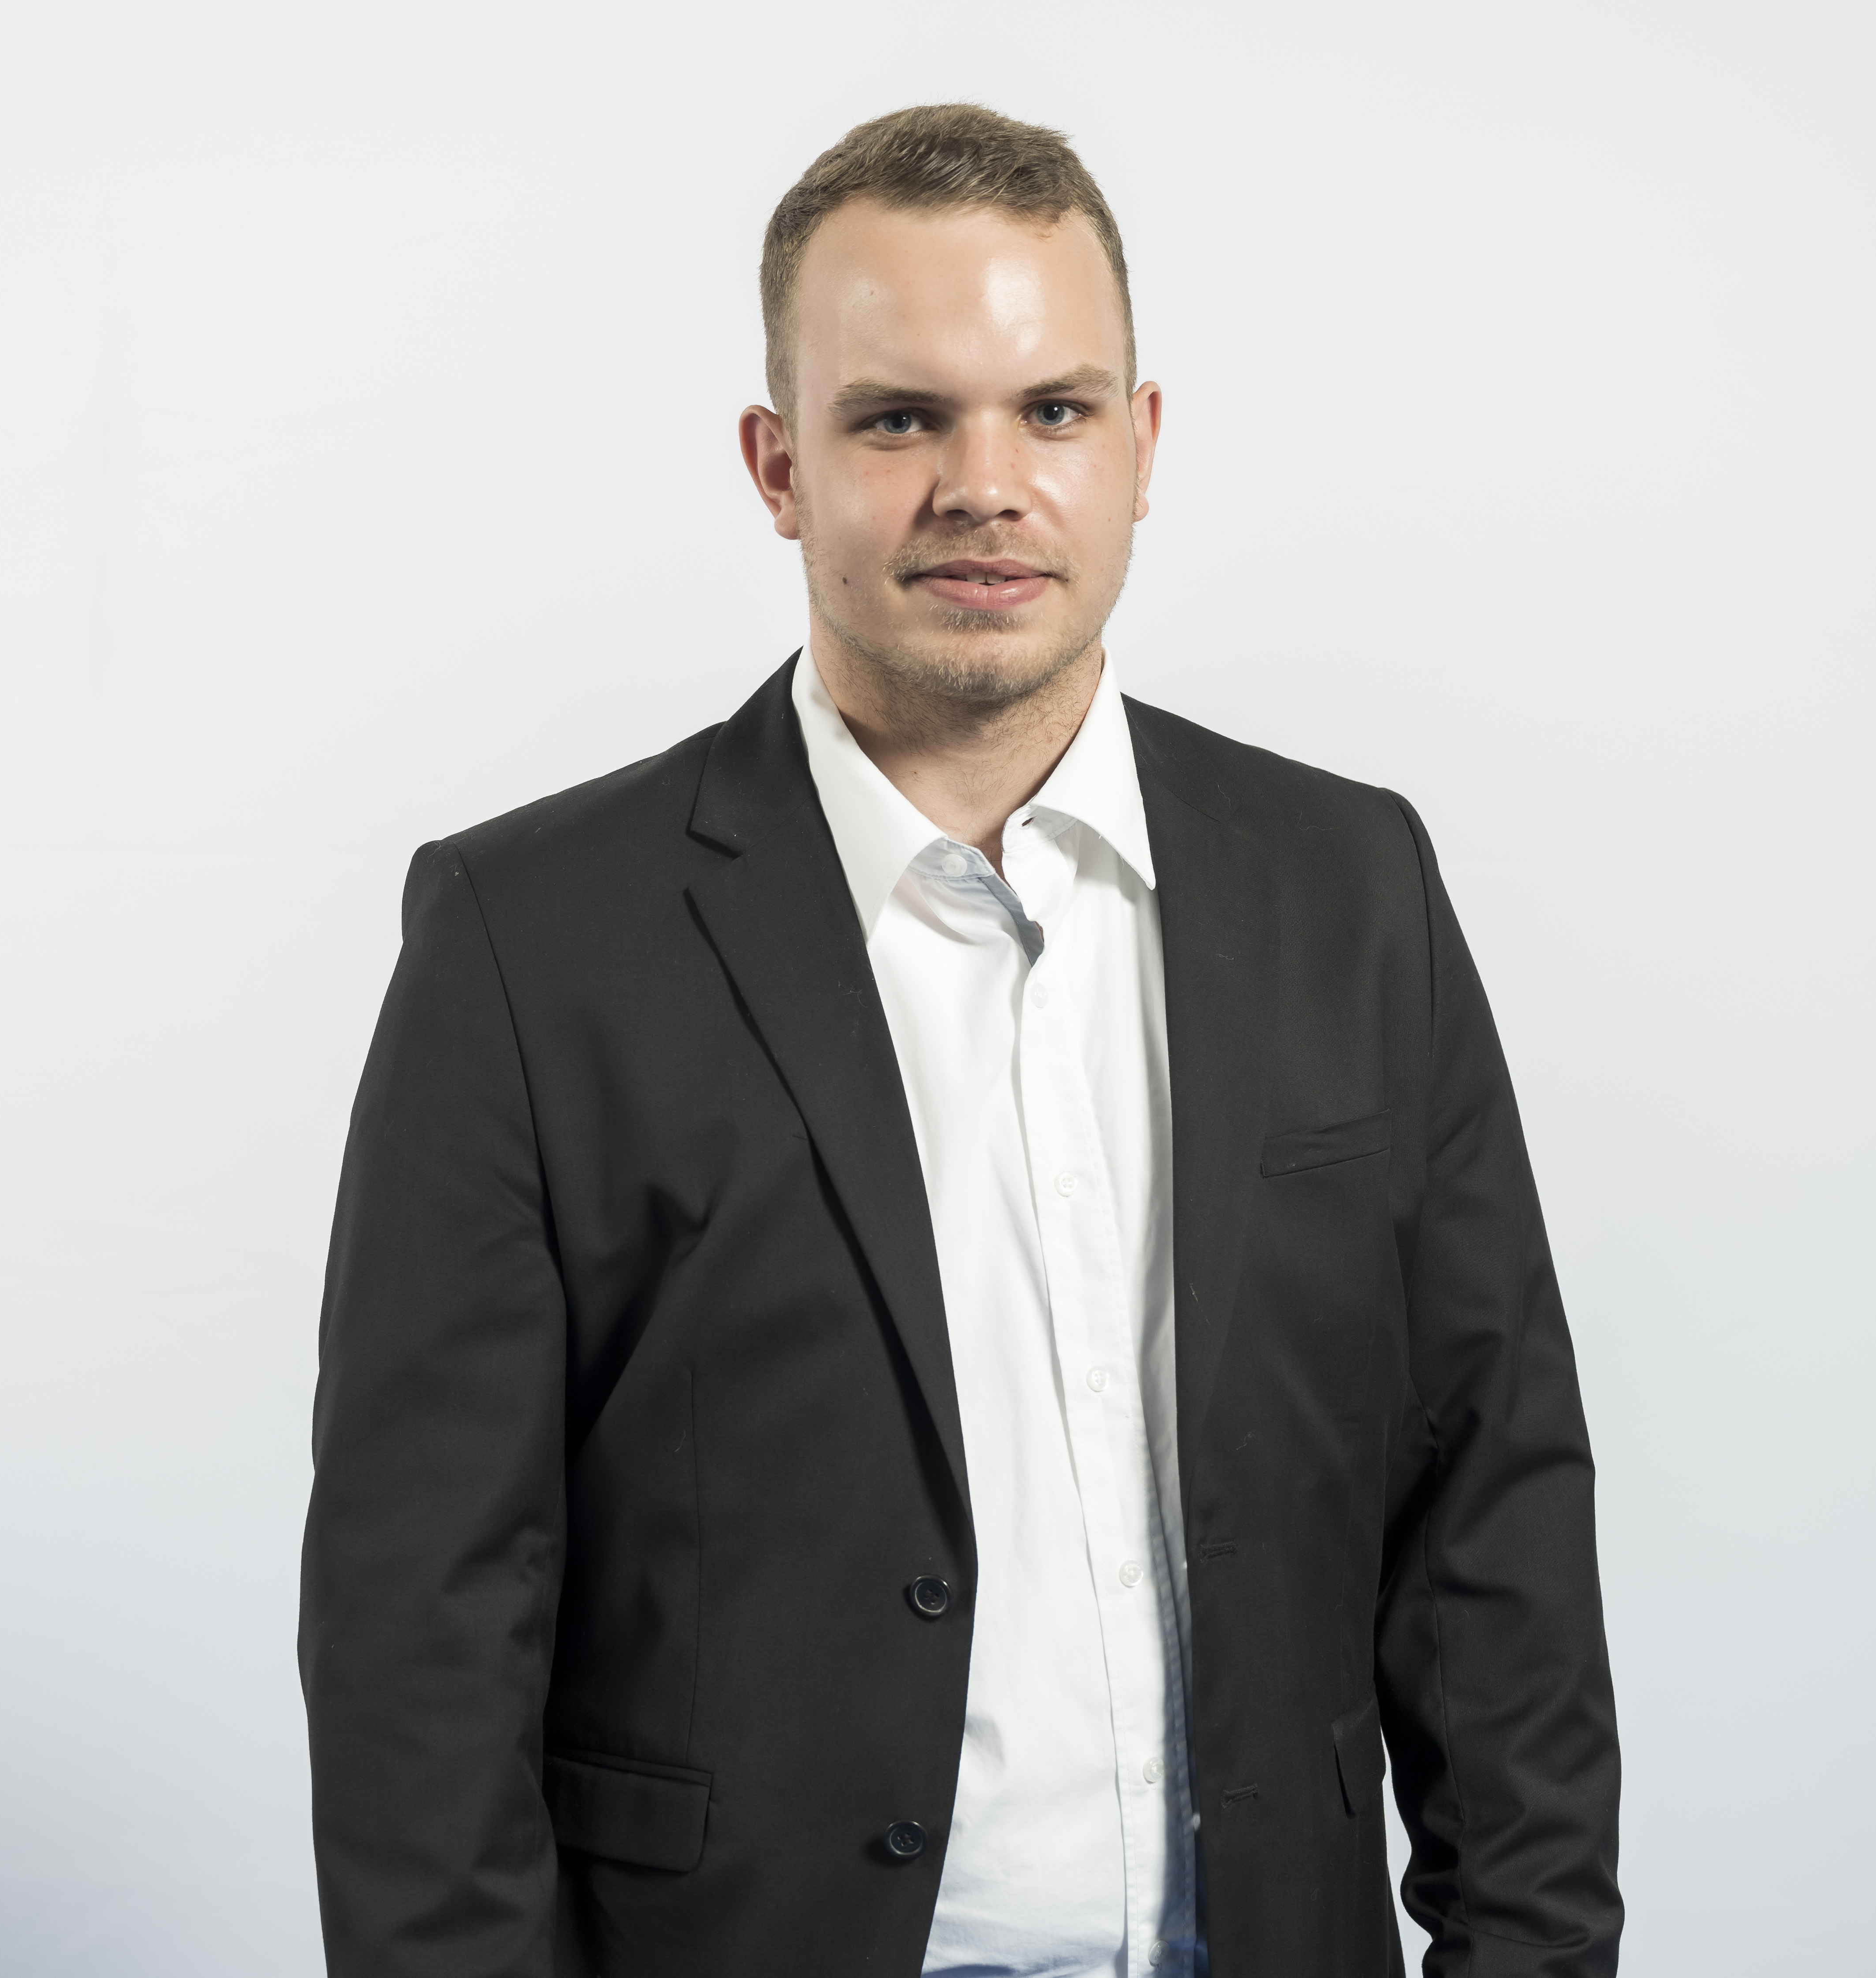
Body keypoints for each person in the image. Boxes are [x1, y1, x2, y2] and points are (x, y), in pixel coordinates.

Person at [299, 102, 1622, 1978]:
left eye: (1052, 411)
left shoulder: (1353, 888)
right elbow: (419, 1624)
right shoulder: (528, 942)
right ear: (779, 467)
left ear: (1141, 448)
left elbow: (1493, 1511)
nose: (984, 485)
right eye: (900, 419)